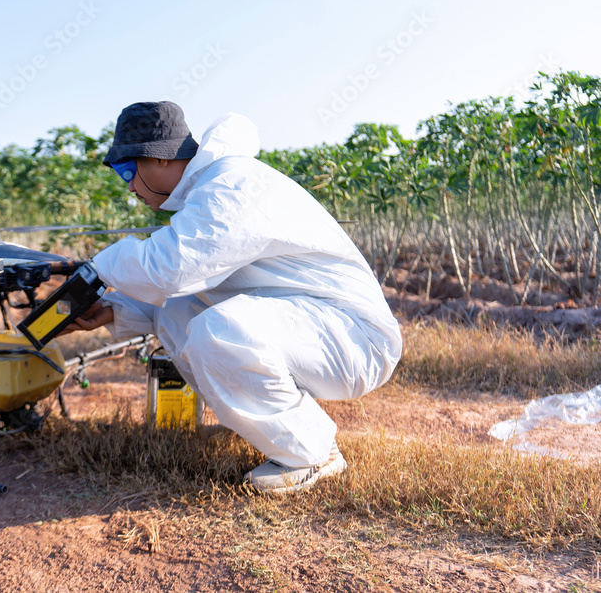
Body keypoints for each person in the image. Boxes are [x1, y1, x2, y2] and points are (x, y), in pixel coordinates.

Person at [68, 101, 402, 493]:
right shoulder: (209, 191)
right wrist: (110, 311)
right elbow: (175, 290)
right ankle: (278, 432)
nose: (128, 186)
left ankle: (312, 453)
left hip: (355, 337)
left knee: (220, 329)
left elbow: (172, 268)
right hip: (314, 324)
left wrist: (99, 266)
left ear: (158, 159)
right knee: (178, 312)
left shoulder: (229, 185)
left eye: (127, 170)